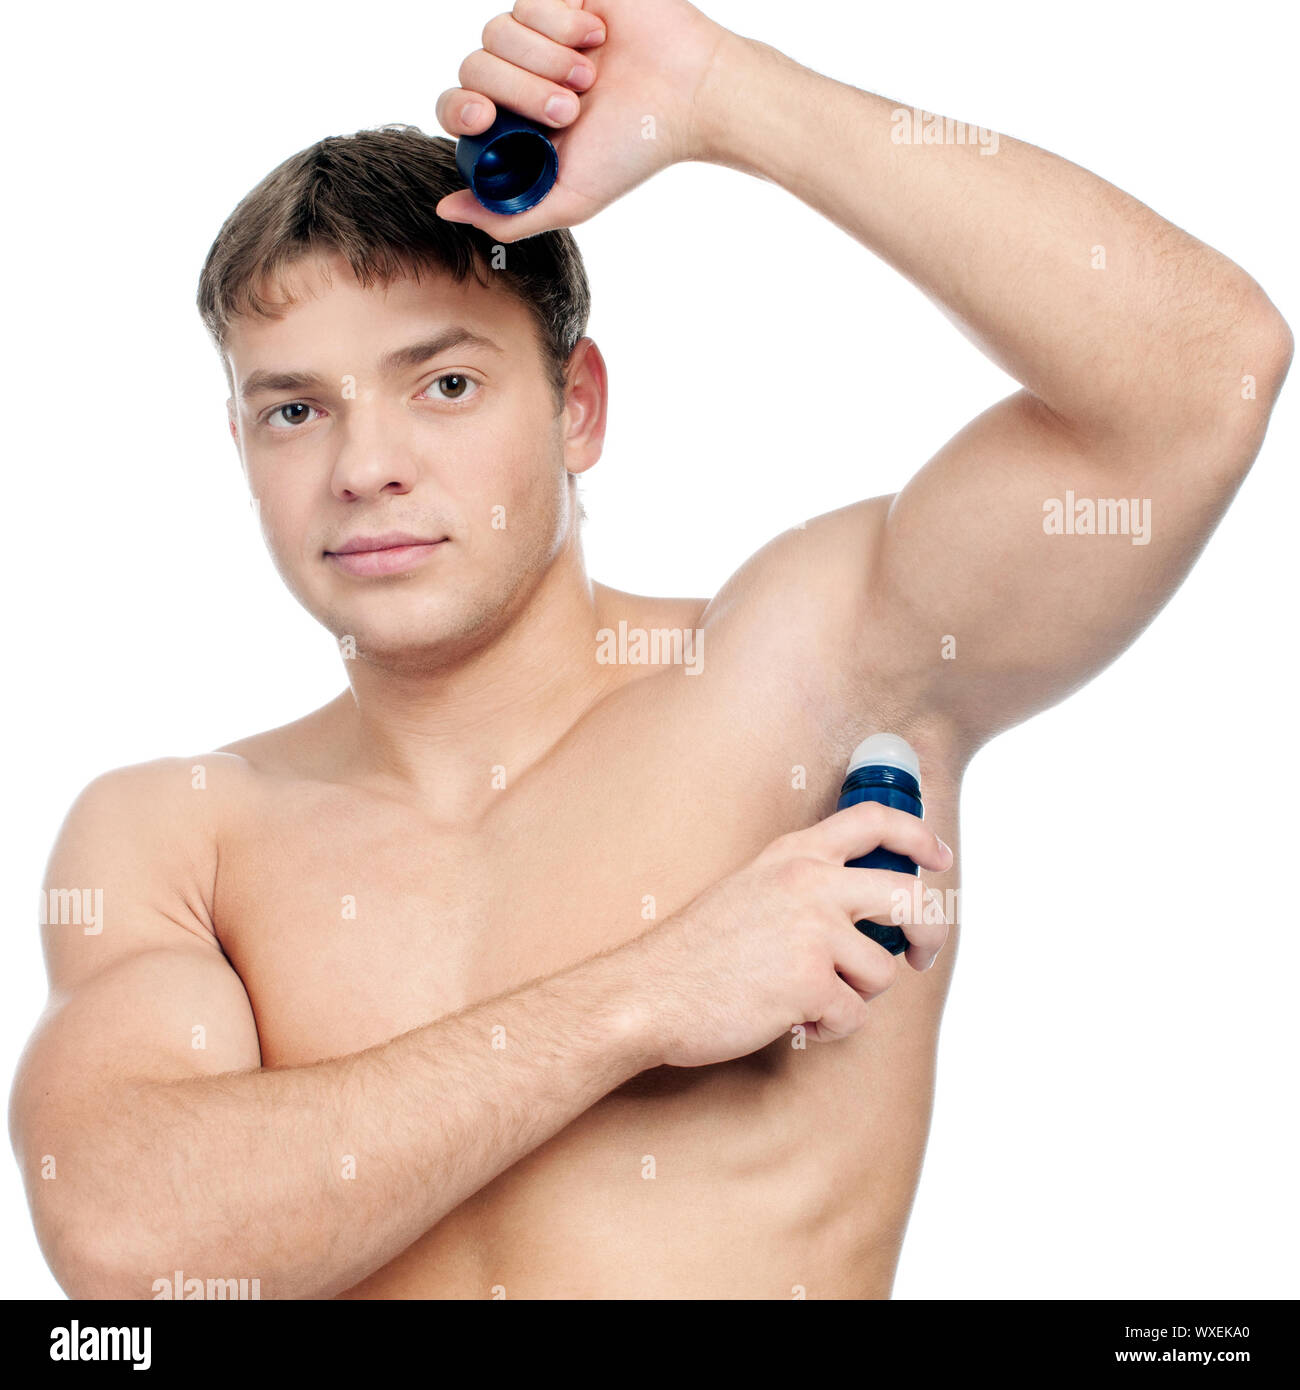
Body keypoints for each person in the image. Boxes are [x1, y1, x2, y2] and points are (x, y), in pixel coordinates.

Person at [10, 0, 1290, 1300]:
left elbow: (1203, 377)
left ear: (579, 408)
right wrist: (650, 990)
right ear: (240, 451)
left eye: (444, 384)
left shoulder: (805, 673)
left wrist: (722, 94)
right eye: (296, 409)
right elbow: (126, 1240)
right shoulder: (177, 836)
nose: (367, 467)